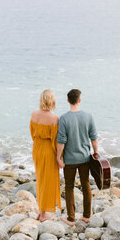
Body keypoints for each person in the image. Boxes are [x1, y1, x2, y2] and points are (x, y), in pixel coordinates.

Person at [56, 88, 98, 225]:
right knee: (86, 185)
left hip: (70, 160)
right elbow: (94, 138)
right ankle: (86, 216)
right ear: (79, 100)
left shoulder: (64, 118)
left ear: (68, 100)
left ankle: (71, 218)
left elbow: (61, 140)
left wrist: (58, 157)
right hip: (85, 158)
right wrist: (95, 153)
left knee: (69, 187)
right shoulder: (88, 116)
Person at [30, 89, 61, 221]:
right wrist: (59, 157)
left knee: (40, 179)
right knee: (48, 181)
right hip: (48, 150)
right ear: (52, 100)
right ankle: (43, 213)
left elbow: (32, 133)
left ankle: (40, 210)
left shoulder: (34, 114)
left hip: (37, 148)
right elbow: (56, 140)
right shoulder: (54, 119)